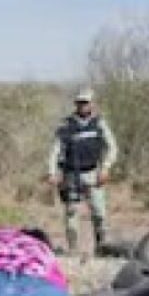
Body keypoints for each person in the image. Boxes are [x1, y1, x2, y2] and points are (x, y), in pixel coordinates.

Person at [46, 88, 119, 255]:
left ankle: (101, 249)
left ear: (92, 103)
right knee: (71, 214)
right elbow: (55, 151)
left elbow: (113, 148)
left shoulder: (100, 124)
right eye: (79, 102)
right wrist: (52, 172)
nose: (82, 105)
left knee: (99, 213)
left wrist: (106, 167)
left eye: (85, 102)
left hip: (93, 174)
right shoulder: (66, 125)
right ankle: (73, 250)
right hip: (71, 175)